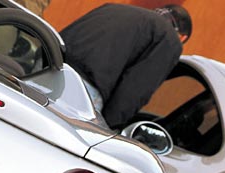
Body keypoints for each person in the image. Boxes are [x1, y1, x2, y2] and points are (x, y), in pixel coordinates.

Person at [60, 4, 192, 130]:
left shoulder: (115, 8)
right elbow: (137, 88)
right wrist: (110, 125)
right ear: (182, 37)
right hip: (84, 90)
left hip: (54, 67)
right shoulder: (170, 39)